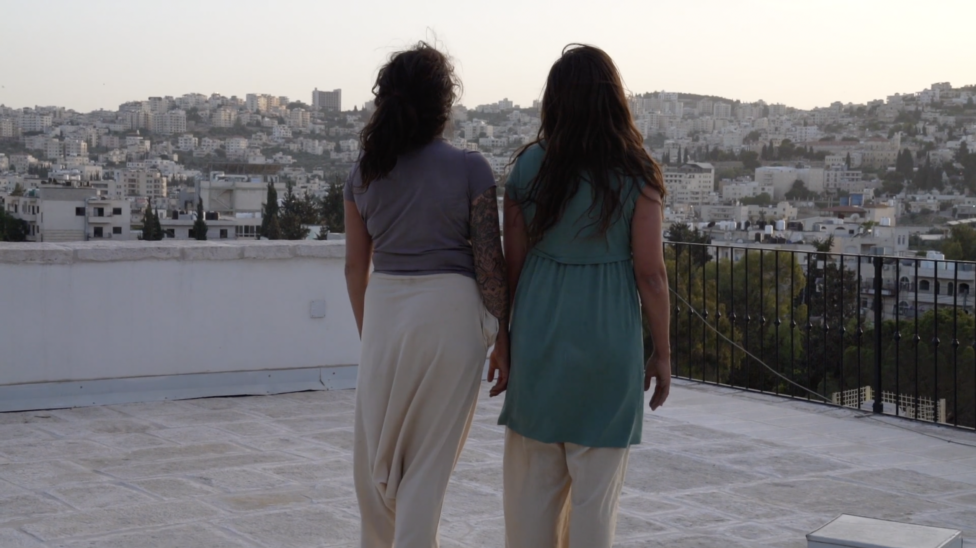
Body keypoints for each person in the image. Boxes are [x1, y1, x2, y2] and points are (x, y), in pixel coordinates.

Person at [496, 44, 671, 548]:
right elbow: (652, 276)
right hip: (608, 348)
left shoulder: (528, 169)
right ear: (615, 100)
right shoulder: (637, 173)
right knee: (597, 511)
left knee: (530, 502)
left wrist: (504, 345)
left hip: (539, 342)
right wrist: (661, 353)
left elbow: (513, 267)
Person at [344, 42, 510, 548]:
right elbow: (489, 264)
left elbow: (355, 267)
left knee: (376, 464)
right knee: (426, 466)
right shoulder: (470, 168)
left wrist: (370, 333)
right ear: (444, 103)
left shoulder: (363, 173)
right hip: (452, 318)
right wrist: (503, 337)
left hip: (387, 314)